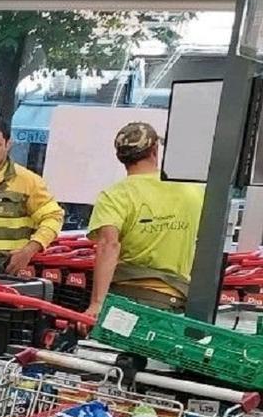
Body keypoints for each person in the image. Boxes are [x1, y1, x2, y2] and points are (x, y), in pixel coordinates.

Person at [84, 122, 204, 316]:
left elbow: (108, 246)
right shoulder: (192, 191)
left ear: (120, 157)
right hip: (173, 297)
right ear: (155, 150)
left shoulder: (114, 195)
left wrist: (97, 303)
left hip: (124, 297)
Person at [0, 117, 64, 275]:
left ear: (8, 144)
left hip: (8, 270)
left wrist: (28, 251)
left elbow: (54, 217)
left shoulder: (27, 181)